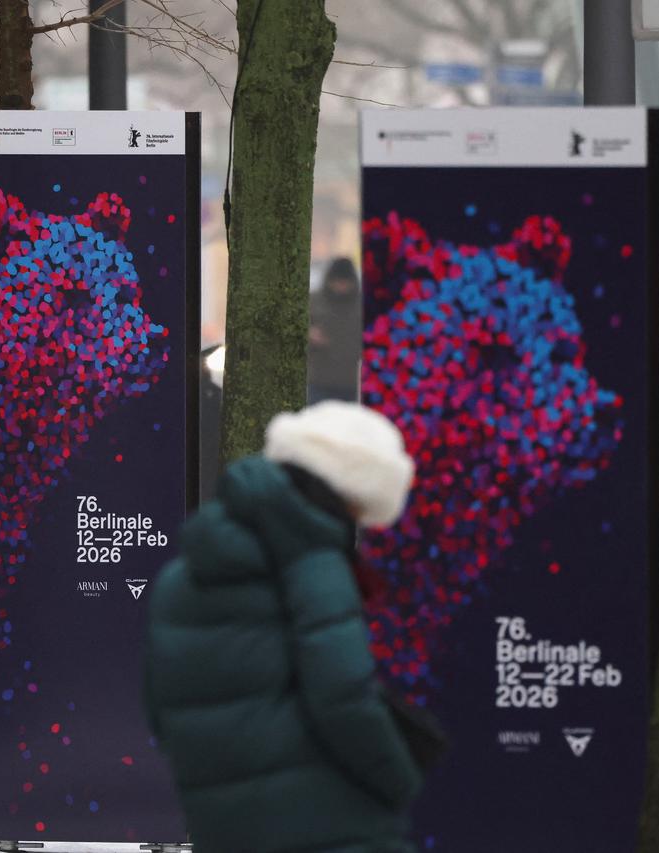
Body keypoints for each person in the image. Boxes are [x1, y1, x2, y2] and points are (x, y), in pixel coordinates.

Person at [144, 402, 423, 853]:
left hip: (221, 825)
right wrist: (401, 779)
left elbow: (158, 706)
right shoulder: (313, 567)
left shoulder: (183, 574)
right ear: (342, 492)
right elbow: (344, 698)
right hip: (330, 823)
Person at [307, 257, 363, 405]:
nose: (341, 286)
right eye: (338, 281)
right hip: (317, 380)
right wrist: (309, 334)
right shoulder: (313, 300)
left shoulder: (361, 304)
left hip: (349, 383)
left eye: (345, 282)